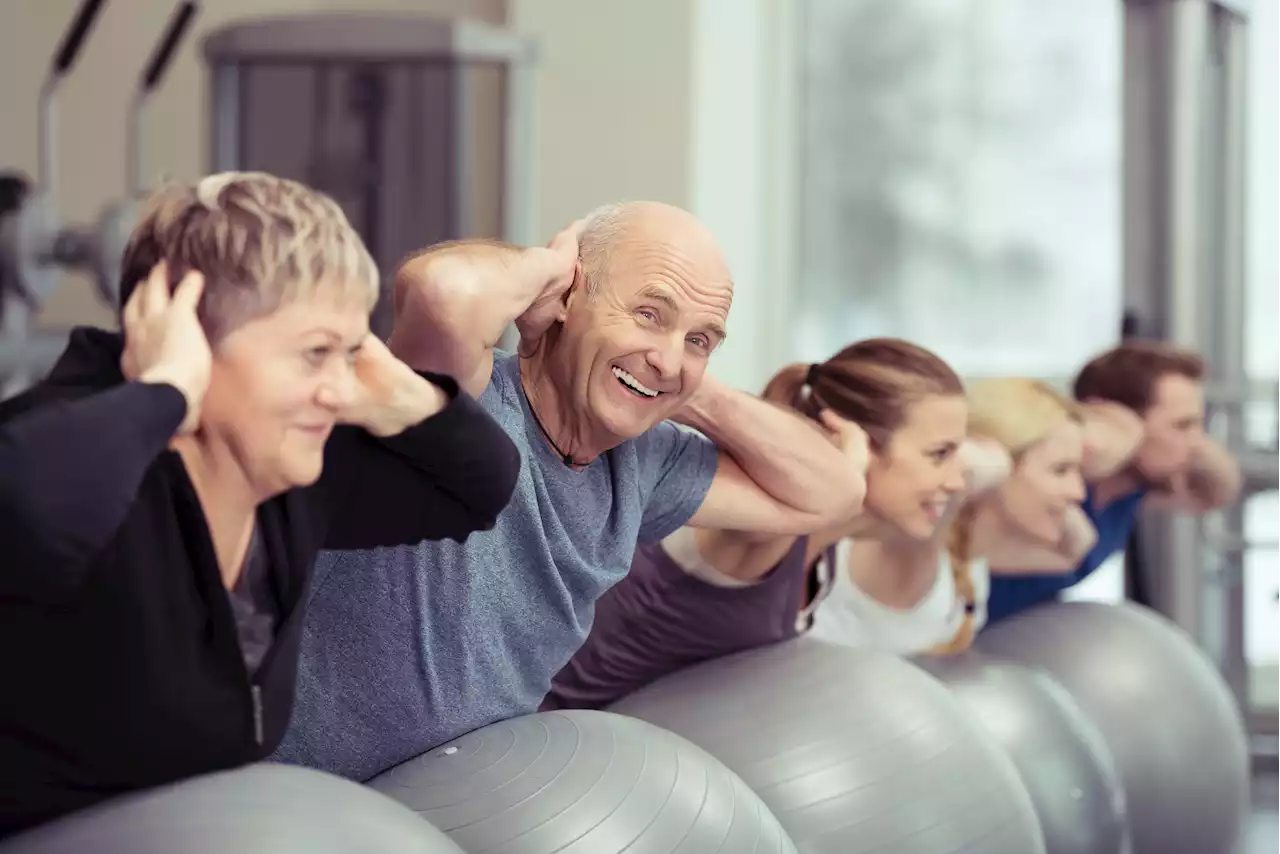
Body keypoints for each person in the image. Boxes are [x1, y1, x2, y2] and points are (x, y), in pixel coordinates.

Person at [0, 173, 520, 838]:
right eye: (314, 355)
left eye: (351, 350)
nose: (338, 389)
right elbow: (20, 505)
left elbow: (481, 488)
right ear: (187, 340)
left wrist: (399, 394)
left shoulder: (290, 475)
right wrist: (164, 393)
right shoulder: (80, 455)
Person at [273, 201, 869, 781]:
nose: (669, 355)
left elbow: (833, 493)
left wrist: (685, 384)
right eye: (648, 313)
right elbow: (443, 291)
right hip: (294, 798)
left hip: (449, 810)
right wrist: (547, 272)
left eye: (701, 339)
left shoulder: (647, 464)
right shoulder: (463, 400)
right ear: (569, 298)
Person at [544, 338, 973, 709]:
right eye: (939, 454)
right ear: (858, 441)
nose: (956, 481)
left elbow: (993, 468)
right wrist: (842, 469)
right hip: (546, 750)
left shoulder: (826, 549)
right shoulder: (764, 528)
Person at [809, 377, 1097, 654]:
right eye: (1061, 470)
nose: (1078, 492)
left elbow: (1077, 548)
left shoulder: (969, 553)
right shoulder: (916, 536)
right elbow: (969, 465)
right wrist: (995, 459)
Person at [984, 340, 1243, 623]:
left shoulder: (1130, 493)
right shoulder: (1044, 483)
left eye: (1198, 425)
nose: (1197, 443)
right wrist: (1114, 429)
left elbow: (1219, 488)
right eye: (1182, 425)